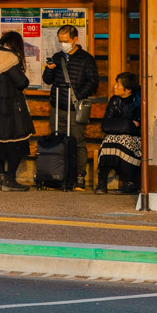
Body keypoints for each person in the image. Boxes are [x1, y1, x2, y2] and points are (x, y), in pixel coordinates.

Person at [43, 24, 99, 192]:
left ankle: (80, 176)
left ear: (75, 39)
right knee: (56, 140)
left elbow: (93, 81)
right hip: (57, 105)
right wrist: (49, 69)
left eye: (66, 41)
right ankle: (57, 175)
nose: (63, 44)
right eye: (60, 41)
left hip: (75, 107)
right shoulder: (57, 57)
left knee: (78, 142)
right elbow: (48, 80)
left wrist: (77, 96)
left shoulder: (86, 59)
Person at [0, 30, 33, 192]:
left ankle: (0, 178)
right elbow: (21, 82)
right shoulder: (9, 59)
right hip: (10, 110)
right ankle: (10, 179)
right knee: (18, 143)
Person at [94, 71, 141, 195]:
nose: (115, 86)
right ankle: (102, 183)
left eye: (118, 84)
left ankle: (130, 182)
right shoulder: (114, 100)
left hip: (135, 139)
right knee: (107, 143)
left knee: (123, 142)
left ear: (127, 89)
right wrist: (127, 123)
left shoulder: (139, 100)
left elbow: (138, 127)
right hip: (115, 136)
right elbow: (107, 123)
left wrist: (123, 125)